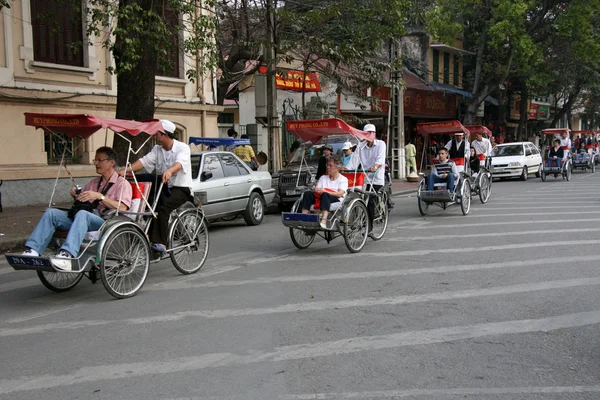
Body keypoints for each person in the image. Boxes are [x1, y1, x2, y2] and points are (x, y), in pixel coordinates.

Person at [23, 147, 132, 270]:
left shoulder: (122, 184)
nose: (95, 163)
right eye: (95, 160)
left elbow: (123, 207)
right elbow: (83, 203)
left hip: (106, 222)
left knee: (82, 214)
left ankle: (67, 254)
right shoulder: (93, 183)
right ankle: (33, 250)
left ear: (111, 163)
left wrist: (100, 197)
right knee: (51, 213)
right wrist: (76, 195)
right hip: (85, 217)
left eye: (99, 160)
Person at [120, 119, 192, 253]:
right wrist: (125, 171)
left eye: (156, 133)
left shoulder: (182, 147)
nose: (154, 136)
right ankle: (147, 236)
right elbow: (144, 161)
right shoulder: (157, 149)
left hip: (180, 188)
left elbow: (180, 163)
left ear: (165, 134)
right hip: (163, 186)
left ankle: (162, 243)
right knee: (150, 207)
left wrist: (170, 171)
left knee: (163, 209)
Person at [301, 156, 348, 229]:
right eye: (327, 165)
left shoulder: (343, 179)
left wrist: (325, 191)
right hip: (321, 196)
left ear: (337, 167)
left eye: (330, 165)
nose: (328, 167)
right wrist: (316, 189)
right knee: (307, 193)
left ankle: (324, 220)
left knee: (325, 194)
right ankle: (304, 217)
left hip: (336, 199)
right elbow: (318, 189)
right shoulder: (323, 178)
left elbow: (340, 194)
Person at [360, 124, 387, 231]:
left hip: (376, 178)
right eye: (366, 134)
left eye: (370, 133)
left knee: (369, 199)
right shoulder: (360, 146)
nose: (368, 136)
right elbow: (354, 161)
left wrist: (375, 166)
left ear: (374, 134)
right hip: (364, 178)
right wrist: (346, 168)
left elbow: (380, 159)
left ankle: (369, 226)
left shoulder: (381, 144)